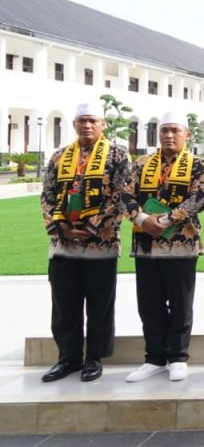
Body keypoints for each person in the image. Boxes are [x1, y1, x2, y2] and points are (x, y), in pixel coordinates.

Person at [39, 102, 131, 383]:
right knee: (64, 305)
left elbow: (121, 195)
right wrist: (60, 226)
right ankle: (67, 358)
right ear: (75, 125)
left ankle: (94, 358)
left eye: (92, 121)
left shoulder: (117, 155)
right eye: (82, 121)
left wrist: (92, 226)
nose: (87, 126)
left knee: (99, 305)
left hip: (100, 244)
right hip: (63, 244)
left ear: (103, 125)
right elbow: (47, 194)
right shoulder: (60, 156)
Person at [124, 112, 204, 383]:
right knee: (149, 304)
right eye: (164, 131)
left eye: (175, 130)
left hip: (181, 243)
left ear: (187, 135)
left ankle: (177, 357)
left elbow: (200, 197)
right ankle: (154, 358)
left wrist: (167, 219)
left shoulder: (197, 165)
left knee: (181, 303)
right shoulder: (141, 163)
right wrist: (141, 218)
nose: (169, 136)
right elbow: (125, 194)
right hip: (146, 243)